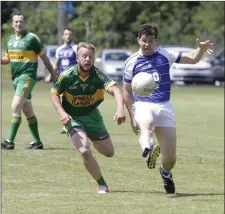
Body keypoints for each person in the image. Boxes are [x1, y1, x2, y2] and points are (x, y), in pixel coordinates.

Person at [123, 23, 213, 194]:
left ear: (156, 40)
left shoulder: (166, 55)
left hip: (164, 106)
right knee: (146, 127)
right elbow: (126, 91)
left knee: (170, 158)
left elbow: (193, 58)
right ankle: (148, 152)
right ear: (138, 40)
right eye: (144, 40)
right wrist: (132, 115)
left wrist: (200, 49)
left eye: (151, 40)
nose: (147, 44)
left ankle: (165, 172)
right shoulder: (131, 62)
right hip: (143, 104)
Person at [50, 42, 126, 193]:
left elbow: (116, 90)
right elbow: (54, 93)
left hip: (92, 116)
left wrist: (120, 109)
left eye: (90, 57)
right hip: (73, 118)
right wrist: (62, 112)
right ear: (77, 58)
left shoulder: (97, 75)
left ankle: (90, 136)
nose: (87, 59)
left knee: (109, 153)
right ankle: (102, 184)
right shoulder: (67, 75)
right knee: (84, 151)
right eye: (84, 56)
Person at [1, 13, 56, 150]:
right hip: (16, 79)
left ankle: (9, 141)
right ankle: (37, 142)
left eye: (21, 21)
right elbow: (8, 58)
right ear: (12, 24)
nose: (18, 24)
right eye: (16, 22)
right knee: (27, 111)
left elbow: (44, 58)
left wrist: (53, 73)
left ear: (24, 23)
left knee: (15, 107)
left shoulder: (32, 39)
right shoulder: (10, 39)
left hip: (27, 78)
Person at [54, 27, 78, 134]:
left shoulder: (76, 48)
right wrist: (53, 75)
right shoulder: (59, 49)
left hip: (74, 78)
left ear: (72, 36)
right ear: (63, 36)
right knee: (64, 101)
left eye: (70, 34)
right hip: (63, 79)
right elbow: (57, 64)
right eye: (66, 34)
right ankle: (68, 124)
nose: (68, 36)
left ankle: (73, 124)